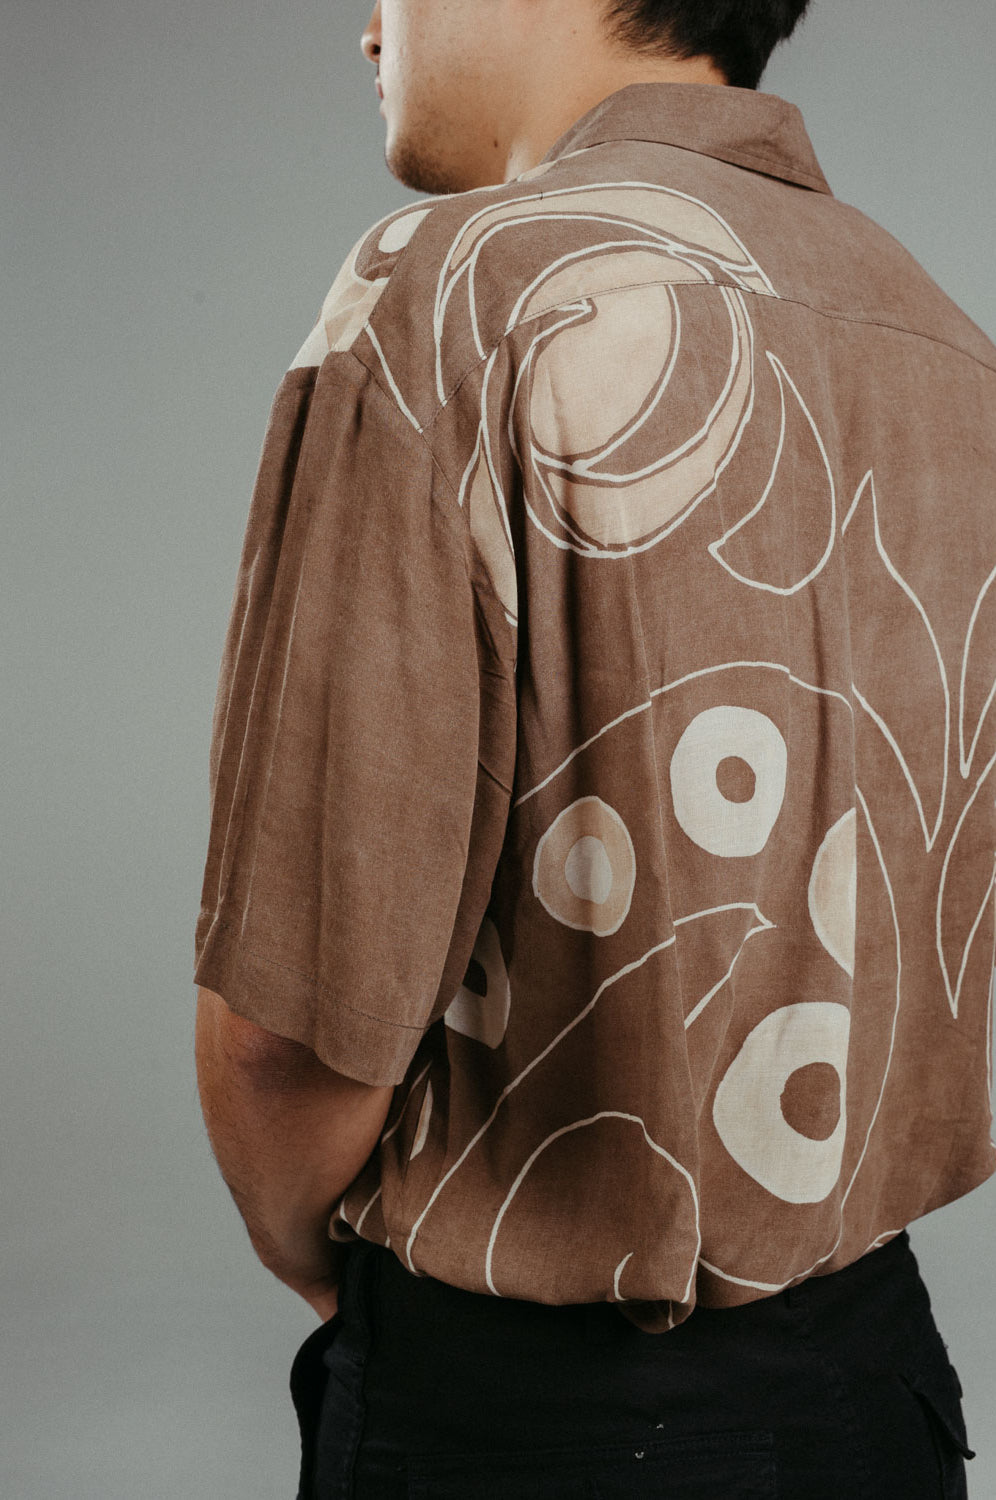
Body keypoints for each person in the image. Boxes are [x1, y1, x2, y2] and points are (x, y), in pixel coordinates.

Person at [192, 1, 996, 1495]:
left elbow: (290, 1027)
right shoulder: (951, 345)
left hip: (520, 1415)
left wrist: (325, 1276)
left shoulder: (452, 295)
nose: (368, 32)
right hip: (882, 1391)